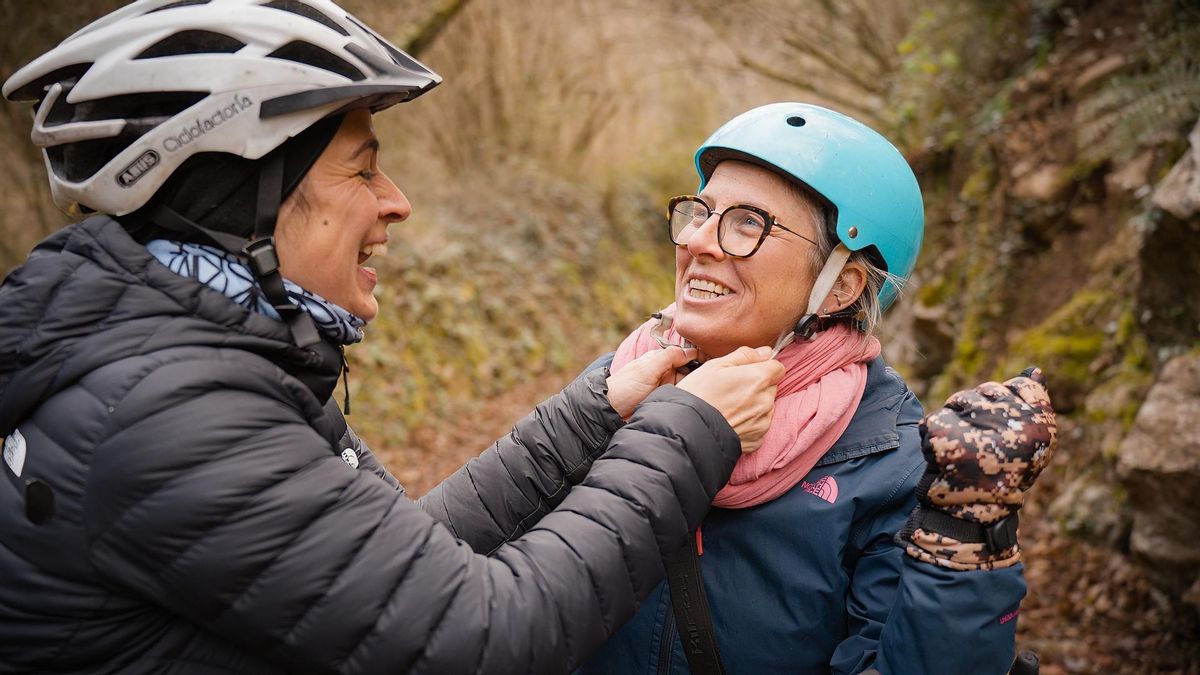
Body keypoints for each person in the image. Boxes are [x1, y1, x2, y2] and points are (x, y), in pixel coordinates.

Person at [0, 2, 787, 673]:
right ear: (244, 199)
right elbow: (483, 634)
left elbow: (402, 565)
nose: (397, 202)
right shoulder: (170, 415)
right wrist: (691, 430)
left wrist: (597, 411)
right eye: (362, 171)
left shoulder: (178, 353)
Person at [579, 103, 1058, 675]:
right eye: (701, 212)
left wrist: (965, 543)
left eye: (748, 222)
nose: (698, 242)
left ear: (840, 286)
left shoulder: (890, 466)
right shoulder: (614, 390)